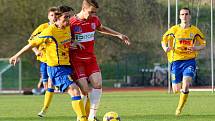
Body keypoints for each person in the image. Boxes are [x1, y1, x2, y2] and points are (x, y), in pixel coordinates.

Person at [9, 5, 87, 121]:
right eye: (66, 17)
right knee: (74, 90)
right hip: (56, 68)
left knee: (85, 90)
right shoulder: (49, 31)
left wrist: (75, 42)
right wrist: (16, 55)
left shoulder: (67, 27)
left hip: (67, 66)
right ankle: (82, 118)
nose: (68, 20)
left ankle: (87, 116)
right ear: (57, 18)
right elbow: (31, 44)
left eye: (69, 17)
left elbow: (67, 39)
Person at [69, 0, 130, 120]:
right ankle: (81, 117)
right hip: (76, 61)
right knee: (85, 90)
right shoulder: (72, 22)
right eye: (91, 12)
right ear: (83, 8)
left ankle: (92, 116)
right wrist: (71, 43)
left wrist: (118, 34)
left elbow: (101, 28)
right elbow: (63, 38)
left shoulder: (94, 20)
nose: (93, 15)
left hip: (91, 59)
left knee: (98, 84)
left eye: (95, 12)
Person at [161, 7, 206, 116]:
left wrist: (196, 48)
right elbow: (163, 40)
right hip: (176, 62)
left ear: (190, 16)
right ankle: (179, 92)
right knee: (176, 89)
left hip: (189, 61)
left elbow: (203, 43)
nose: (184, 16)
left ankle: (179, 109)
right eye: (182, 14)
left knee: (186, 85)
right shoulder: (174, 30)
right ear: (179, 16)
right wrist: (165, 48)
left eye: (186, 14)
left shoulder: (195, 30)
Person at [27, 6, 58, 117]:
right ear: (48, 16)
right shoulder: (43, 27)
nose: (54, 17)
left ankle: (44, 109)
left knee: (51, 82)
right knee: (46, 85)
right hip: (44, 60)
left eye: (56, 15)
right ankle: (45, 106)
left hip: (56, 62)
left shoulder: (62, 27)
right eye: (52, 15)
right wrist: (35, 51)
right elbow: (31, 40)